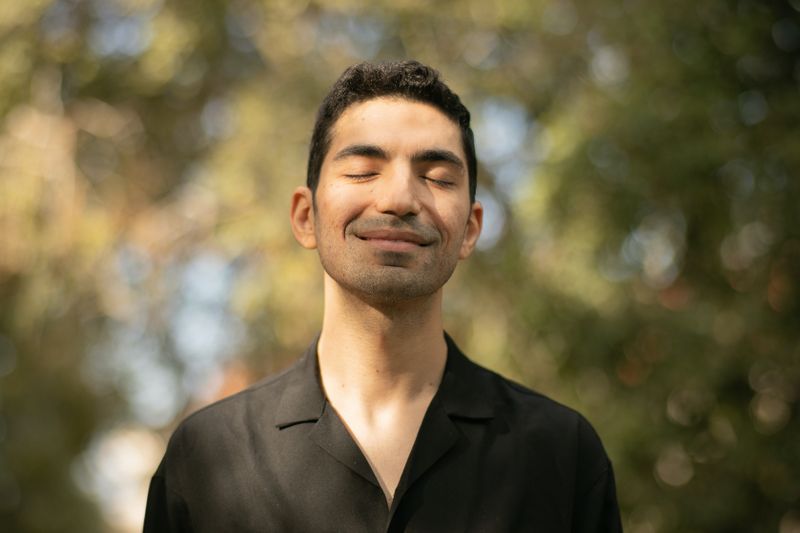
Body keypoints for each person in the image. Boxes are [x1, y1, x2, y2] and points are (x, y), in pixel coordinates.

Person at [143, 60, 622, 532]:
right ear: (305, 217)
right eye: (362, 171)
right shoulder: (207, 456)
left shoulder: (560, 454)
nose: (398, 199)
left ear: (471, 229)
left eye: (436, 177)